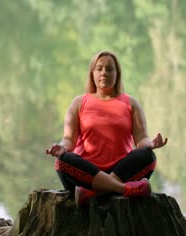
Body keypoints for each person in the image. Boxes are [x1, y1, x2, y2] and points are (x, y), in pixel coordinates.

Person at [46, 50, 167, 206]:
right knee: (63, 160)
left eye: (110, 69)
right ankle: (123, 189)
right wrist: (61, 147)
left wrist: (150, 144)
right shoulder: (78, 103)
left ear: (117, 74)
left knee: (148, 156)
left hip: (121, 171)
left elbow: (141, 138)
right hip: (86, 174)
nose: (104, 73)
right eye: (99, 68)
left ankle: (93, 193)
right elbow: (69, 139)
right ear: (92, 73)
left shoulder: (130, 103)